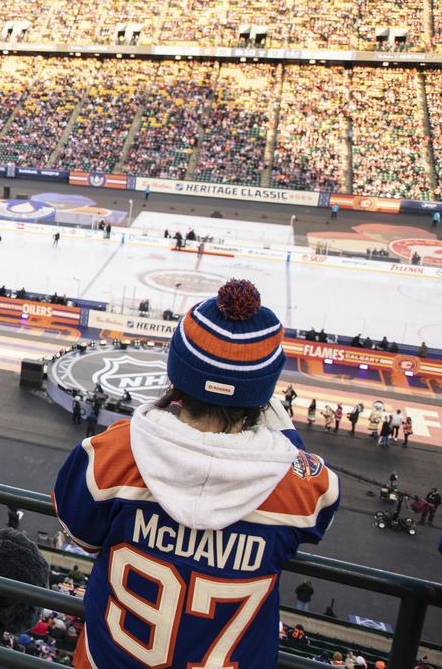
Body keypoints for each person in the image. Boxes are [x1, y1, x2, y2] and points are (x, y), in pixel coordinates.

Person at [53, 279, 339, 668]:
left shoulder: (111, 453)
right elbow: (317, 498)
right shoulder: (301, 484)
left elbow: (82, 533)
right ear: (264, 393)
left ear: (175, 376)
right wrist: (285, 432)